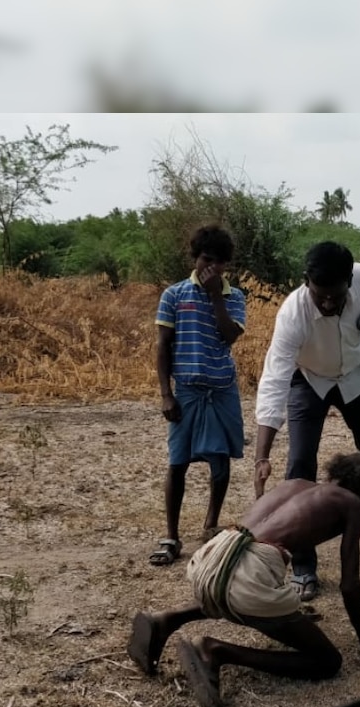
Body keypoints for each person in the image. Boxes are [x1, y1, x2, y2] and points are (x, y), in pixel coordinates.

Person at [127, 453, 360, 707]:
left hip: (212, 556)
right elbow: (349, 584)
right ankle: (215, 651)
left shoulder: (295, 485)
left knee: (242, 589)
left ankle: (166, 619)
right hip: (248, 575)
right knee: (327, 661)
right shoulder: (351, 503)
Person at [253, 241, 360, 603]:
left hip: (358, 378)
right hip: (310, 380)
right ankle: (303, 564)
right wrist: (261, 452)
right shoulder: (292, 315)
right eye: (321, 297)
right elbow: (274, 379)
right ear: (306, 283)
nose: (329, 303)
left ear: (349, 280)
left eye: (337, 295)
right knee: (300, 464)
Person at [148, 225, 246, 566]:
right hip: (187, 391)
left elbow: (229, 336)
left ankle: (210, 524)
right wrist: (166, 395)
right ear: (195, 258)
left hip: (221, 390)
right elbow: (163, 346)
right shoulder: (174, 295)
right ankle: (171, 536)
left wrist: (216, 296)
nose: (212, 268)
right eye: (207, 259)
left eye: (220, 263)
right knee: (178, 462)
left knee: (220, 462)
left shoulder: (235, 296)